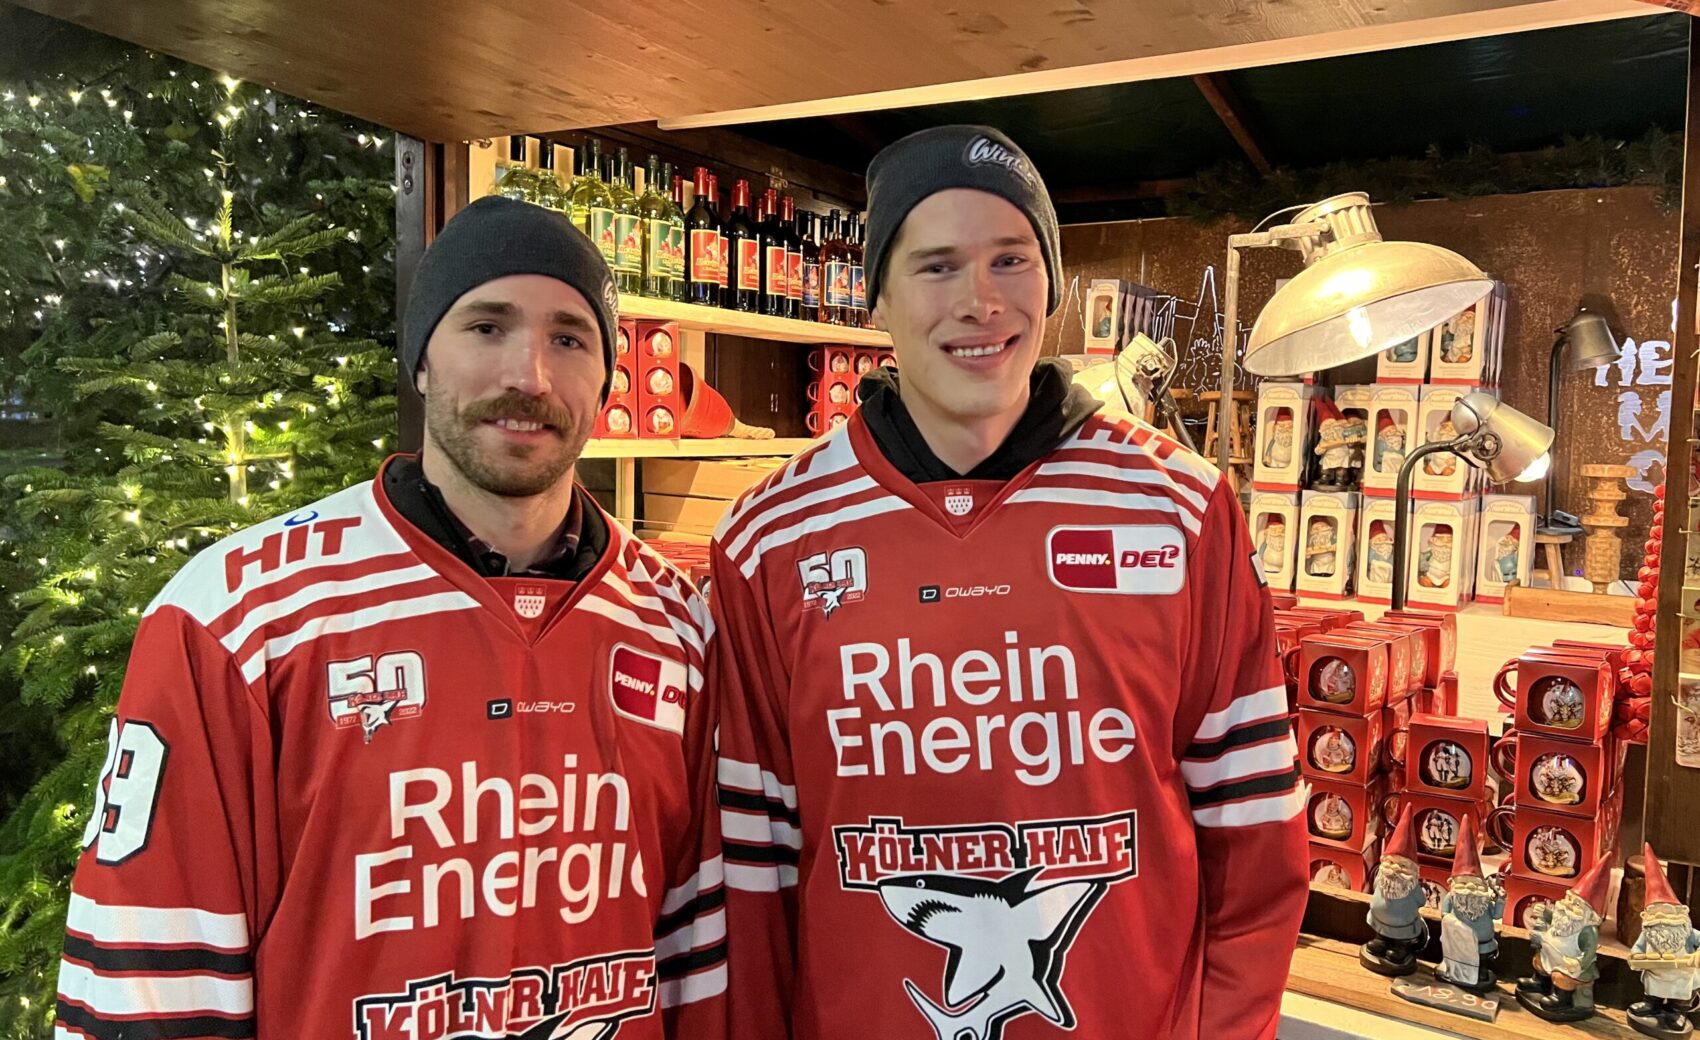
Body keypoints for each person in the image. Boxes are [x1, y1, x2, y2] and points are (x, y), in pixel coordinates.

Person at [54, 197, 726, 1039]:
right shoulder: (240, 617)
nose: (529, 377)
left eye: (569, 338)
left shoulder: (674, 623)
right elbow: (149, 988)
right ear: (421, 361)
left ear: (607, 377)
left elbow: (699, 956)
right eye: (487, 327)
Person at [709, 125, 1306, 1040]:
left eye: (1011, 259)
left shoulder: (1180, 510)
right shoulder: (769, 540)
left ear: (1051, 282)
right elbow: (755, 870)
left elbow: (1254, 832)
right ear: (875, 296)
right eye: (937, 266)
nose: (980, 301)